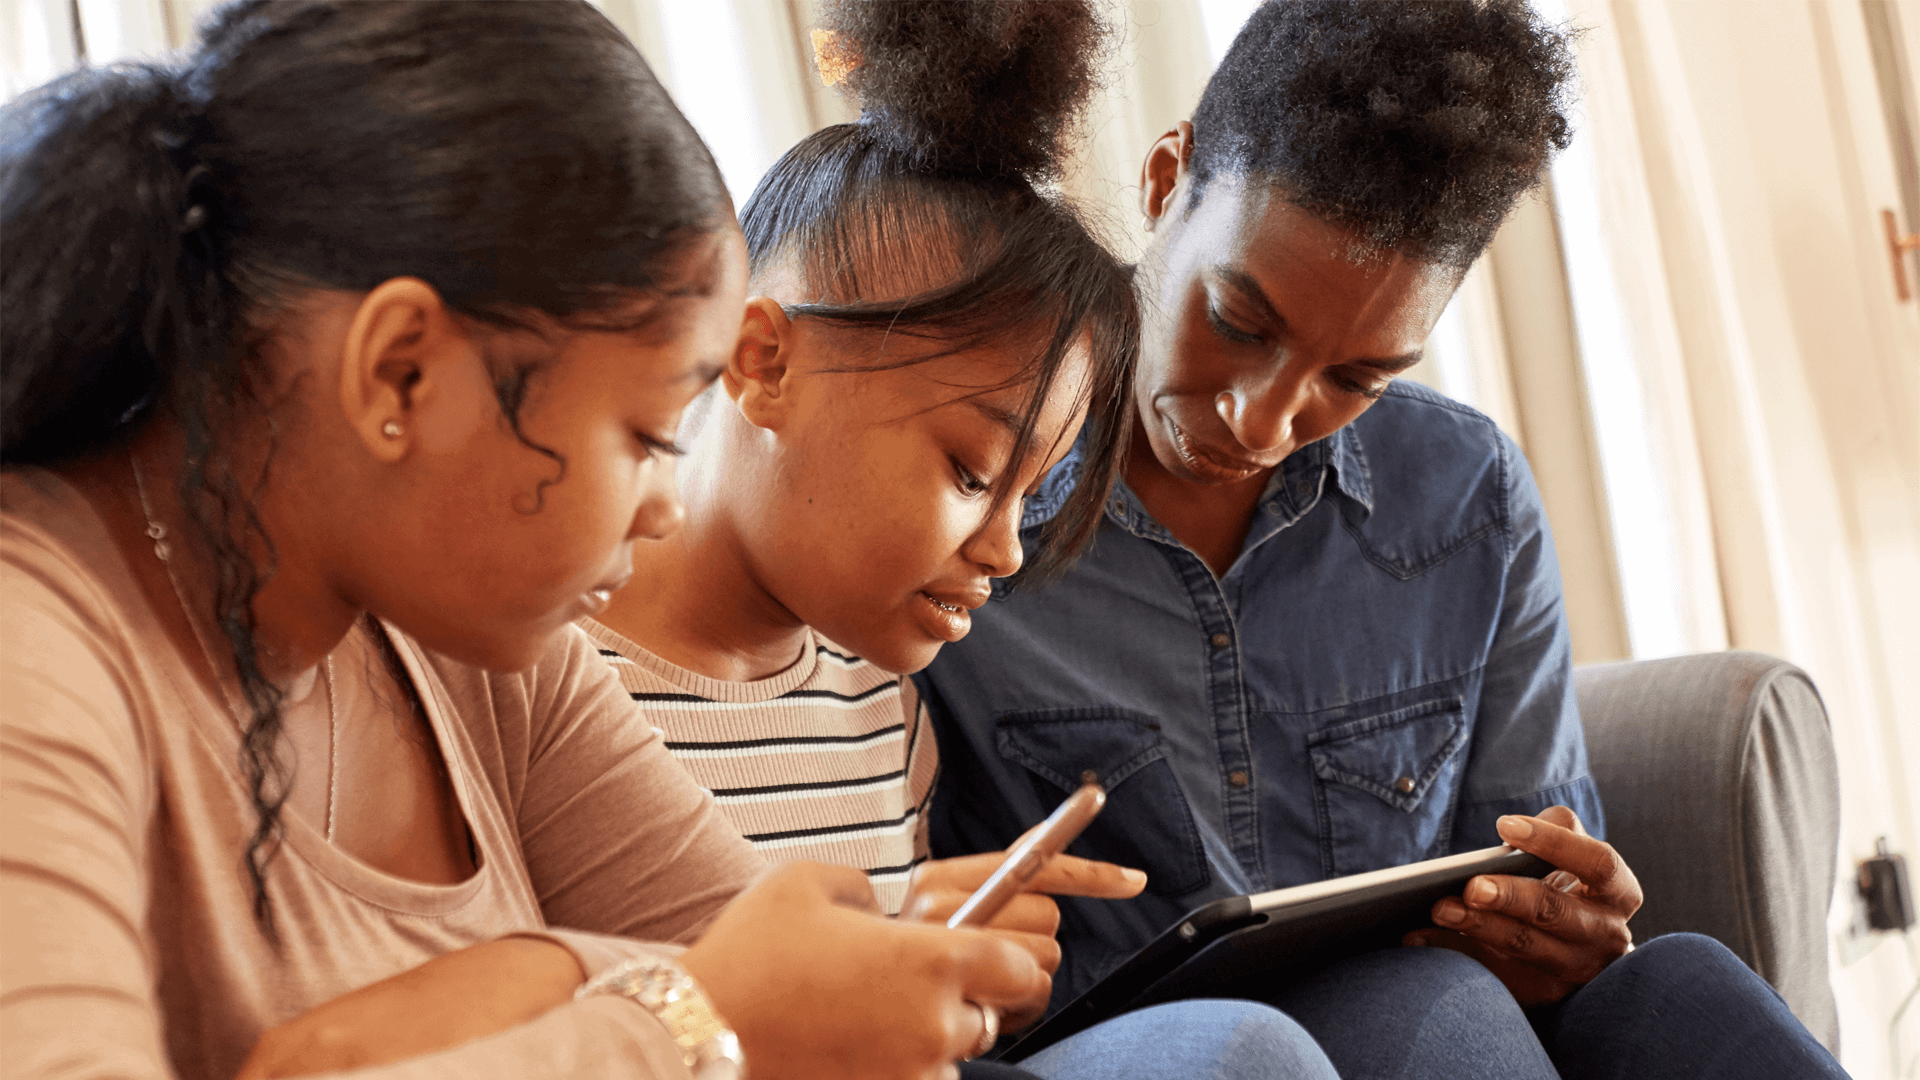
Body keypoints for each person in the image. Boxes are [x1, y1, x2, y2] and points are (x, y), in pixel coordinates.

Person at [0, 4, 1055, 1079]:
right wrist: (680, 1023)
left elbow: (767, 961)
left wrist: (530, 986)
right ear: (401, 372)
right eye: (646, 435)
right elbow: (726, 994)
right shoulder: (33, 635)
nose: (665, 507)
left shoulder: (473, 643)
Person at [917, 3, 1851, 1079]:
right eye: (1239, 321)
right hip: (1119, 1052)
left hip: (1420, 1028)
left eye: (1357, 378)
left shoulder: (1467, 498)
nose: (1263, 422)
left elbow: (1532, 880)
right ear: (1167, 182)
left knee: (1676, 986)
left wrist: (1557, 935)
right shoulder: (969, 480)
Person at [582, 5, 1344, 1078]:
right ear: (763, 364)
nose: (1006, 552)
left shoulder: (874, 694)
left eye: (1030, 496)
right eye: (971, 472)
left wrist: (946, 965)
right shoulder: (555, 677)